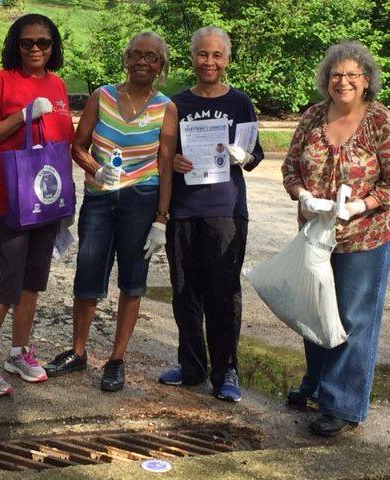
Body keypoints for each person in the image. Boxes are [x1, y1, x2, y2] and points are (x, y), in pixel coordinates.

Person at [44, 32, 177, 392]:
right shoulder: (101, 97)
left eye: (152, 57)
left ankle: (116, 359)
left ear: (161, 65)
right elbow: (78, 146)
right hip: (100, 199)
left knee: (133, 281)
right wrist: (95, 168)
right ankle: (78, 351)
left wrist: (161, 219)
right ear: (126, 59)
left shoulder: (165, 107)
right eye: (136, 54)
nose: (143, 61)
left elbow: (165, 165)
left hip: (142, 200)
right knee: (88, 273)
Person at [282, 41, 390, 437]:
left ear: (366, 80)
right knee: (314, 313)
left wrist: (362, 205)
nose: (343, 82)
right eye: (335, 75)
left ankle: (342, 405)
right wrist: (302, 196)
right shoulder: (312, 117)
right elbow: (291, 168)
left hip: (363, 237)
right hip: (315, 235)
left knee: (352, 319)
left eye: (352, 75)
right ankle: (316, 385)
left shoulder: (380, 121)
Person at [0, 14, 74, 396]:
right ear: (16, 44)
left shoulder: (57, 84)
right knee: (6, 278)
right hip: (10, 198)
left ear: (53, 46)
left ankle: (18, 352)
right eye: (27, 42)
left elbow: (62, 142)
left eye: (44, 42)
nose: (35, 49)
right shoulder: (2, 80)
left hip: (46, 199)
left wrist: (70, 196)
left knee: (32, 279)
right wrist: (22, 116)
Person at [158, 26, 263, 402]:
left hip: (226, 211)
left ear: (227, 60)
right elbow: (164, 155)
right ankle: (191, 366)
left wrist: (243, 155)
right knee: (185, 291)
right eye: (203, 54)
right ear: (192, 57)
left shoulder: (240, 102)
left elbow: (256, 155)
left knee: (223, 292)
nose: (209, 61)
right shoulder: (177, 104)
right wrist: (176, 161)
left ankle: (226, 370)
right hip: (185, 211)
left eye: (217, 55)